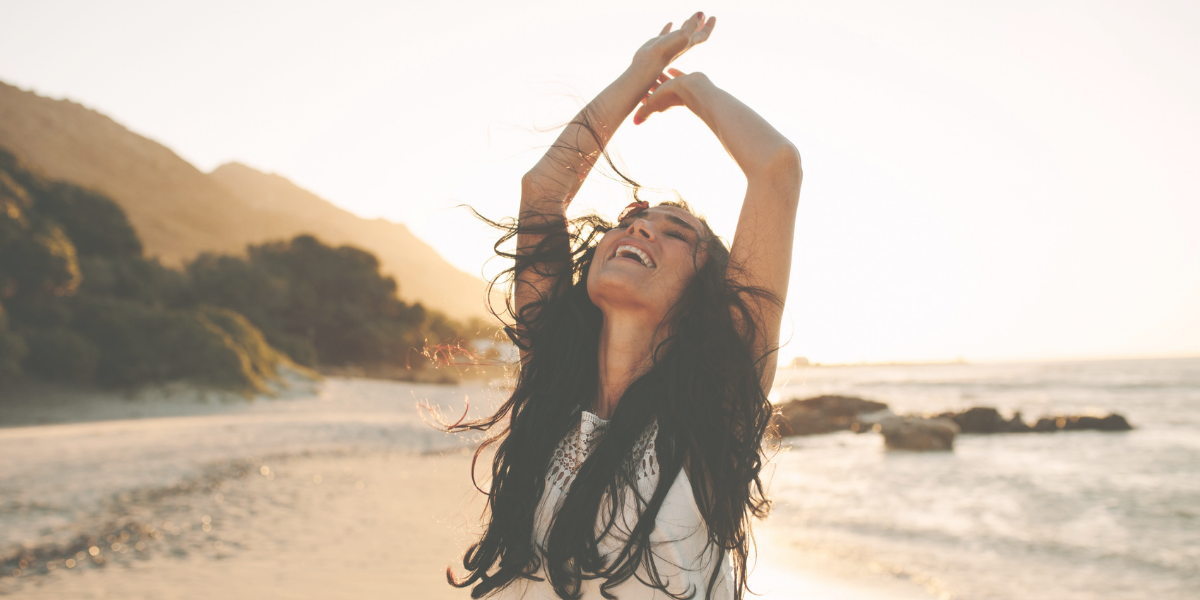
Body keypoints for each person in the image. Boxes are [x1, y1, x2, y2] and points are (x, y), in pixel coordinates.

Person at [446, 12, 802, 600]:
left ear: (705, 294)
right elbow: (543, 192)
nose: (640, 231)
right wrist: (639, 71)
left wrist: (696, 89)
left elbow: (776, 169)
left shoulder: (714, 407)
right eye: (632, 221)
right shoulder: (556, 380)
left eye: (675, 233)